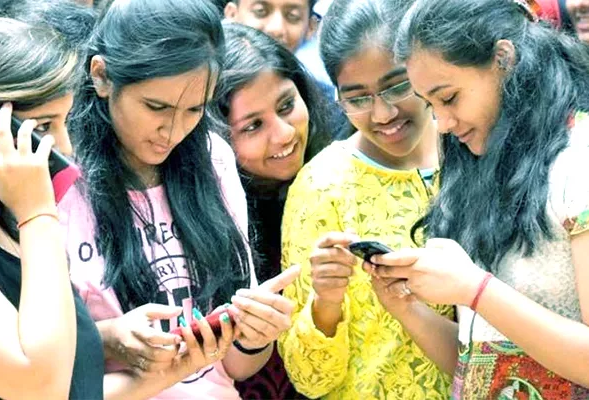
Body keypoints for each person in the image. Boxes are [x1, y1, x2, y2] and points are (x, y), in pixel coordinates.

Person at [59, 0, 298, 399]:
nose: (172, 130)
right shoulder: (60, 180)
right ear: (101, 76)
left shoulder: (213, 158)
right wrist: (105, 339)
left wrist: (256, 335)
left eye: (194, 110)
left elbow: (236, 366)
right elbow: (30, 364)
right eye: (156, 107)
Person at [369, 0, 589, 398]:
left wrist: (476, 289)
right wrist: (407, 309)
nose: (442, 124)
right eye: (430, 105)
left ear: (504, 59)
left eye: (449, 98)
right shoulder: (478, 165)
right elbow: (483, 365)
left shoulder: (579, 157)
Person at [277, 0, 455, 398]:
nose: (383, 114)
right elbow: (308, 380)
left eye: (398, 86)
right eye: (358, 98)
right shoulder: (322, 186)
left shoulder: (469, 148)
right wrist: (325, 303)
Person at [0, 16, 104, 399]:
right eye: (43, 126)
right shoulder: (23, 213)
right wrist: (37, 214)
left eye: (65, 121)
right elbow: (40, 386)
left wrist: (112, 340)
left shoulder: (4, 207)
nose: (65, 146)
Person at [212, 22, 331, 399]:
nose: (284, 134)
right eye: (253, 126)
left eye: (287, 106)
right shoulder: (209, 222)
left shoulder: (339, 178)